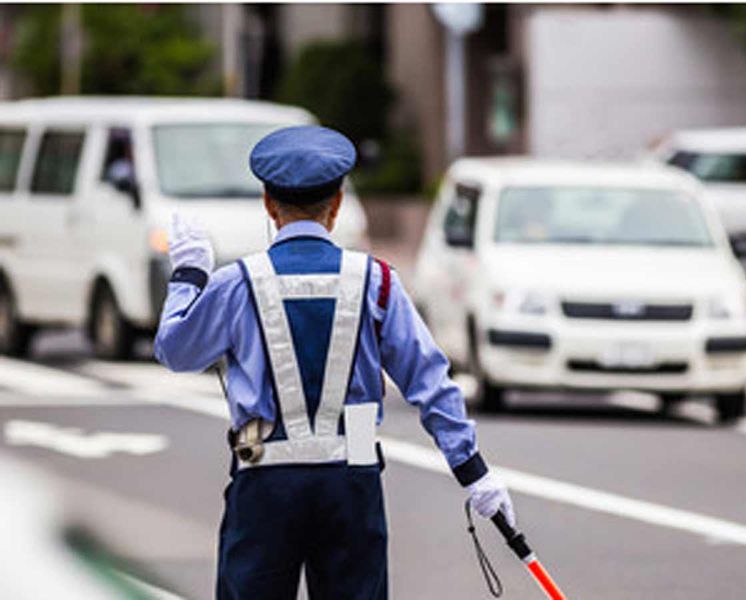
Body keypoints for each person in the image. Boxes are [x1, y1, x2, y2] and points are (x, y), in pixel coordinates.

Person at [154, 125, 514, 600]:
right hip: (351, 482)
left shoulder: (239, 282)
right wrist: (473, 472)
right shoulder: (377, 281)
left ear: (268, 203)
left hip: (264, 480)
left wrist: (188, 274)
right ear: (338, 202)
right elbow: (429, 380)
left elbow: (175, 350)